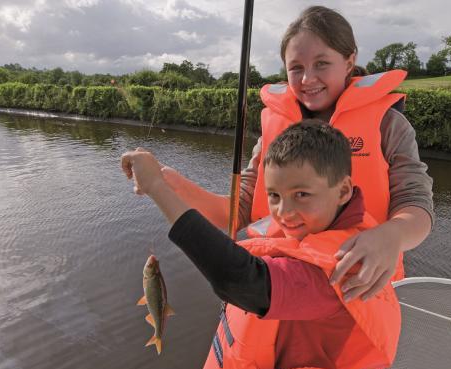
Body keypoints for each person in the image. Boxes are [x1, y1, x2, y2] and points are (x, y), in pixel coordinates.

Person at [160, 5, 433, 304]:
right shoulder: (274, 128)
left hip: (355, 292)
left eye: (322, 64)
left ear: (349, 61)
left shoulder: (389, 124)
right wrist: (173, 185)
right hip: (276, 286)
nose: (307, 79)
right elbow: (239, 213)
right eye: (296, 68)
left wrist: (391, 236)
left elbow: (416, 206)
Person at [121, 120, 401, 369]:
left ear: (343, 192)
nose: (284, 212)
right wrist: (174, 184)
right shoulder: (308, 232)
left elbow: (240, 280)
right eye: (274, 196)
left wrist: (157, 188)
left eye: (301, 194)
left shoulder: (343, 267)